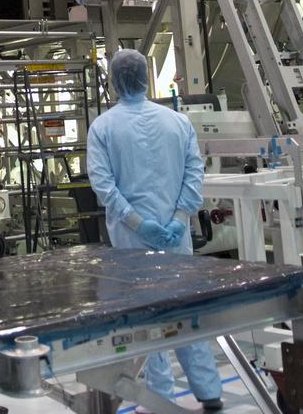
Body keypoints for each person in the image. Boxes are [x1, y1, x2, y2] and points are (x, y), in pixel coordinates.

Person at [86, 49, 223, 412]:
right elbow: (194, 175)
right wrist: (178, 219)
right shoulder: (178, 123)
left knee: (148, 321)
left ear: (114, 81)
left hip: (133, 244)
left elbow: (104, 186)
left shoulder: (103, 127)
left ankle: (160, 398)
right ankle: (209, 393)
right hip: (176, 240)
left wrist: (137, 224)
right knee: (186, 314)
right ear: (145, 77)